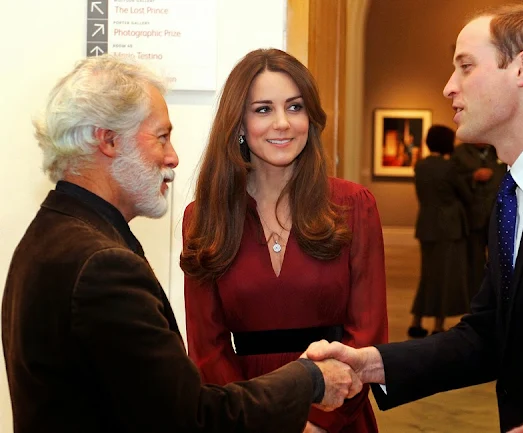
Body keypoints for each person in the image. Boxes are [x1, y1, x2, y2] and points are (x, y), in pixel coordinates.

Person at [304, 3, 523, 433]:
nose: (448, 87)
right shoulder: (514, 192)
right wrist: (372, 364)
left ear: (522, 69)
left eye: (465, 67)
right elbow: (488, 334)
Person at [1, 55, 361, 433]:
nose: (172, 157)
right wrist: (310, 379)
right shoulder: (103, 265)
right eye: (161, 137)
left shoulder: (48, 234)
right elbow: (191, 417)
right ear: (108, 141)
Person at [180, 48, 388, 433]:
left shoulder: (354, 206)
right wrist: (253, 418)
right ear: (238, 124)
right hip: (245, 414)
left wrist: (317, 424)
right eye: (263, 110)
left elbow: (369, 334)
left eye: (295, 108)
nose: (282, 124)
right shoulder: (204, 216)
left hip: (338, 412)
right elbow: (207, 348)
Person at [408, 125, 471, 338]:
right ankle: (438, 324)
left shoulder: (421, 166)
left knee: (427, 275)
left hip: (426, 224)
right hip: (449, 227)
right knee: (444, 276)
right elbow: (466, 193)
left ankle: (417, 320)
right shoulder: (449, 167)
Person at [451, 142, 506, 300]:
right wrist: (473, 177)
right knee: (475, 261)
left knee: (500, 259)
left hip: (498, 214)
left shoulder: (499, 150)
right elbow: (454, 180)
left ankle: (497, 297)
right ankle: (475, 298)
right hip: (473, 216)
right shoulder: (460, 153)